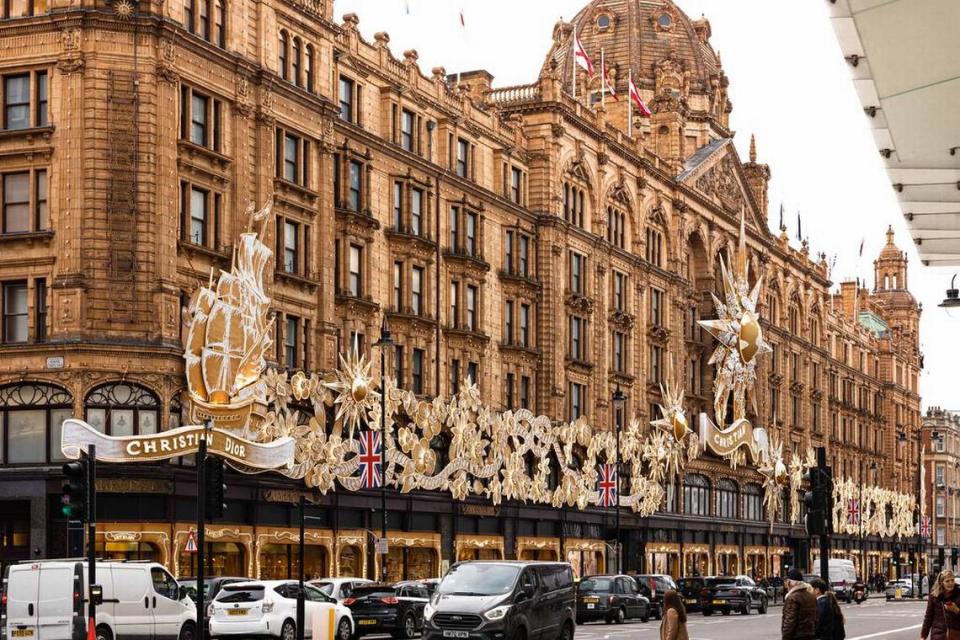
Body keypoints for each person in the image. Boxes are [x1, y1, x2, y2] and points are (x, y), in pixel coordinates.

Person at [921, 569, 960, 640]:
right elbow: (928, 617)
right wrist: (923, 636)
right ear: (941, 583)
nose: (950, 583)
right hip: (938, 635)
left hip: (956, 634)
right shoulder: (934, 596)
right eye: (947, 581)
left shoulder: (959, 594)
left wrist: (956, 610)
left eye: (952, 580)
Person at [782, 568, 817, 640]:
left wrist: (785, 637)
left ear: (790, 583)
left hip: (797, 636)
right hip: (810, 635)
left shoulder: (792, 598)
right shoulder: (811, 596)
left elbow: (790, 621)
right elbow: (816, 618)